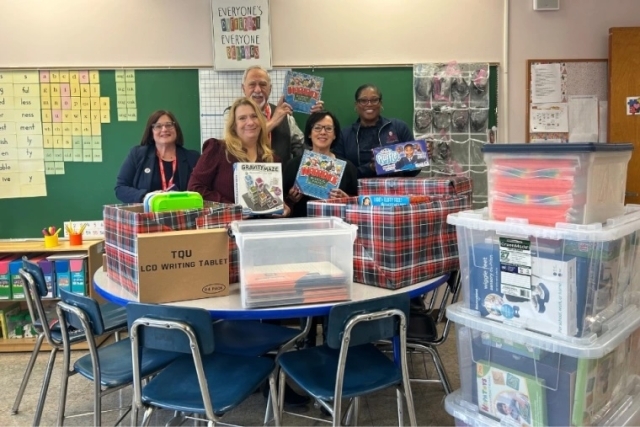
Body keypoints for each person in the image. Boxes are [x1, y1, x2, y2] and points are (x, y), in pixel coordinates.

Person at [188, 97, 288, 213]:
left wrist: (284, 208)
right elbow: (195, 188)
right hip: (226, 227)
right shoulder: (218, 150)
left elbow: (277, 197)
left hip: (263, 228)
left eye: (254, 116)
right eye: (242, 118)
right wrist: (233, 208)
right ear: (234, 126)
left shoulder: (272, 160)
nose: (250, 122)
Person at [240, 65, 324, 164]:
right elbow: (234, 143)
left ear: (270, 89)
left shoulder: (286, 117)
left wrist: (314, 122)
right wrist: (273, 121)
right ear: (243, 88)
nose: (258, 90)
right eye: (252, 84)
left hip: (281, 177)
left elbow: (303, 150)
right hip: (246, 177)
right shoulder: (233, 115)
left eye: (263, 84)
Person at [334, 84, 420, 178]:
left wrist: (420, 155)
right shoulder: (344, 135)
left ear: (380, 103)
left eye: (374, 100)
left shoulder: (399, 127)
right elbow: (342, 176)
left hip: (394, 190)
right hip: (356, 191)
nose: (369, 104)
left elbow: (413, 172)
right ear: (356, 105)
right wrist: (370, 167)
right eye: (363, 100)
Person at [283, 111, 358, 218]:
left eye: (328, 128)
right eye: (317, 128)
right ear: (309, 133)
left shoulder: (347, 167)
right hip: (301, 226)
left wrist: (345, 199)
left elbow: (357, 204)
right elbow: (281, 201)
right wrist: (291, 199)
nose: (323, 132)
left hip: (335, 226)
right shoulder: (293, 165)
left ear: (335, 135)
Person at [115, 110, 200, 203]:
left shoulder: (193, 158)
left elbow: (201, 189)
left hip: (182, 214)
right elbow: (120, 188)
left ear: (176, 129)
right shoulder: (137, 154)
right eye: (158, 126)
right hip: (147, 215)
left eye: (169, 125)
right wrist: (146, 197)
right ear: (151, 132)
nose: (164, 129)